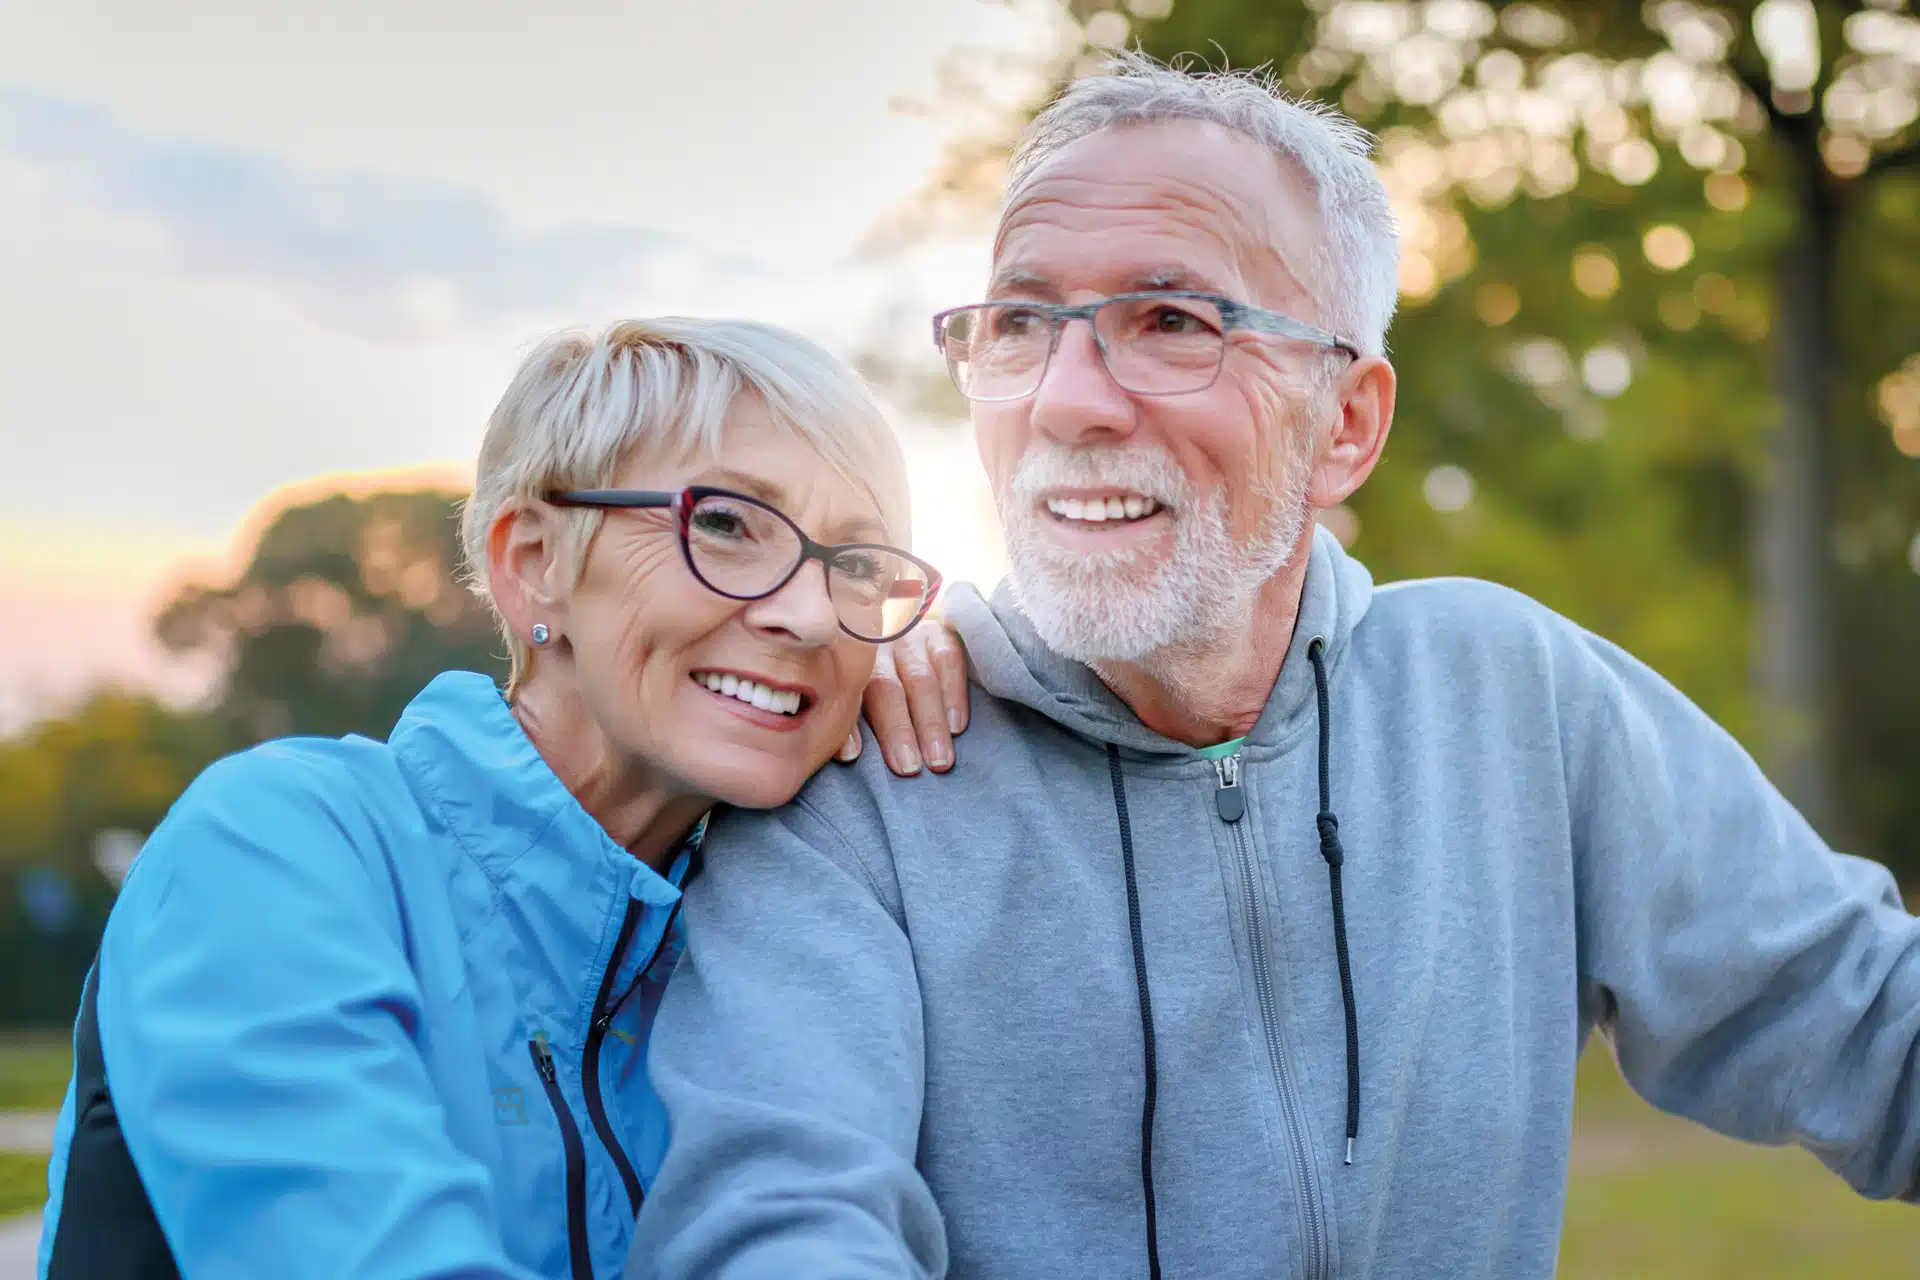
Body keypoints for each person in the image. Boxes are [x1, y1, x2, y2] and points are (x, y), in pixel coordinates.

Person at [629, 54, 1920, 1280]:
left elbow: (1867, 1026)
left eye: (1173, 321)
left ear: (1345, 424)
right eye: (1023, 322)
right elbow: (775, 1220)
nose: (1070, 400)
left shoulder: (1508, 697)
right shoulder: (859, 775)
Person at [35, 317, 969, 1280]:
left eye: (855, 566)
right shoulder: (278, 847)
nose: (812, 616)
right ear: (533, 563)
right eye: (727, 525)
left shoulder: (785, 936)